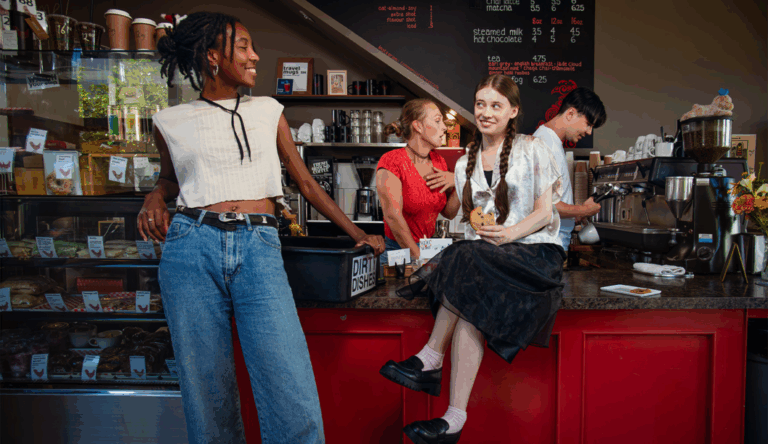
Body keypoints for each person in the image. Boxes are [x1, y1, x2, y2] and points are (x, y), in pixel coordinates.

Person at [137, 12, 384, 444]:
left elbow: (305, 182)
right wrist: (154, 196)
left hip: (258, 244)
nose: (255, 56)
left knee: (289, 387)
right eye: (244, 47)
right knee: (207, 392)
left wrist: (357, 234)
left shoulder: (269, 110)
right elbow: (171, 180)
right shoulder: (170, 121)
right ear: (213, 57)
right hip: (190, 245)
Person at [379, 75, 566, 444]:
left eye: (496, 105)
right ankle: (454, 420)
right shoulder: (465, 162)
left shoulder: (533, 148)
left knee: (463, 254)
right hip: (494, 258)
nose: (485, 112)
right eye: (480, 104)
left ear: (513, 112)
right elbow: (470, 218)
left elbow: (546, 213)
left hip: (536, 255)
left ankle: (431, 358)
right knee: (468, 301)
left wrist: (510, 233)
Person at [376, 99, 461, 264]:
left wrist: (459, 182)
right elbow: (392, 216)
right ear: (418, 126)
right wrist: (419, 259)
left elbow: (449, 213)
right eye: (437, 120)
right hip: (398, 253)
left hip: (427, 250)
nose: (444, 127)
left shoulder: (439, 161)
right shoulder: (392, 161)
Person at [533, 87, 607, 250]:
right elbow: (546, 205)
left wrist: (576, 214)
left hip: (552, 243)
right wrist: (584, 209)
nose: (589, 132)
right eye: (588, 124)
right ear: (570, 113)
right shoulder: (546, 144)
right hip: (548, 246)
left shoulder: (551, 141)